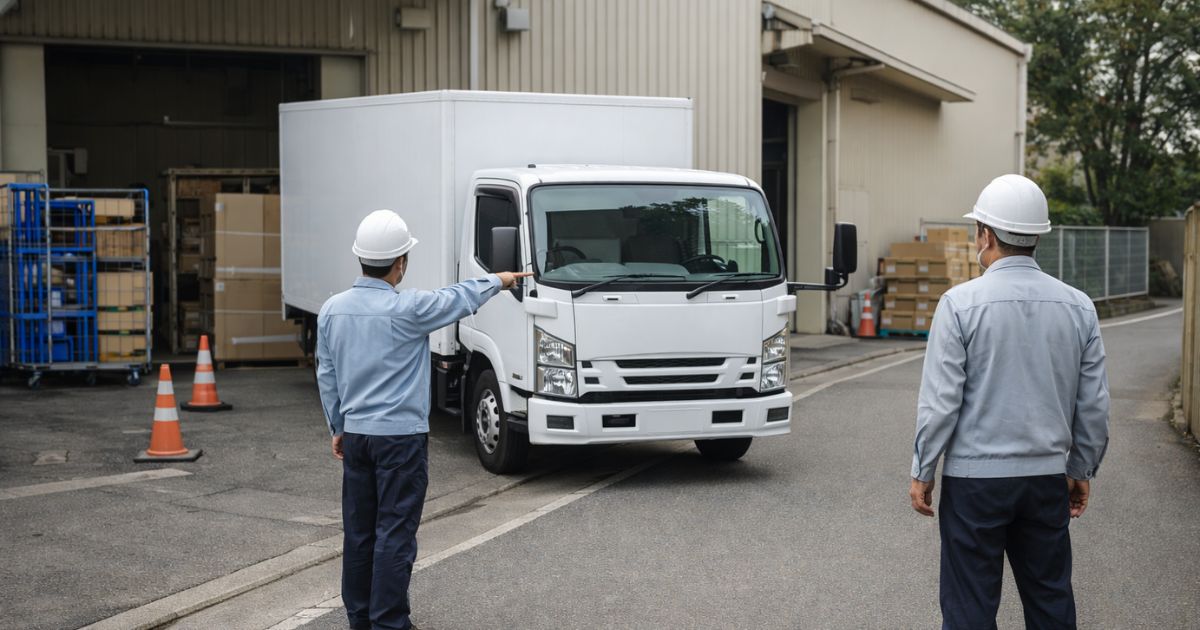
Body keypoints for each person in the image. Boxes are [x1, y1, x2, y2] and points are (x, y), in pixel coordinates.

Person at [908, 174, 1110, 629]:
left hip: (974, 483)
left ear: (987, 235)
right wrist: (1080, 470)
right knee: (1051, 603)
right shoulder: (1079, 307)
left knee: (969, 608)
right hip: (1044, 481)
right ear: (1037, 234)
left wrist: (923, 469)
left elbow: (941, 402)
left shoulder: (959, 304)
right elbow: (1093, 405)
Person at [316, 209, 530, 630]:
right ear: (400, 263)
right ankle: (389, 623)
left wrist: (338, 428)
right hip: (400, 440)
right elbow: (458, 297)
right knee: (395, 533)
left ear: (360, 258)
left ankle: (361, 619)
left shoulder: (331, 311)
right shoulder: (409, 309)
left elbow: (327, 375)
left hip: (357, 436)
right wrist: (500, 280)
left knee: (360, 534)